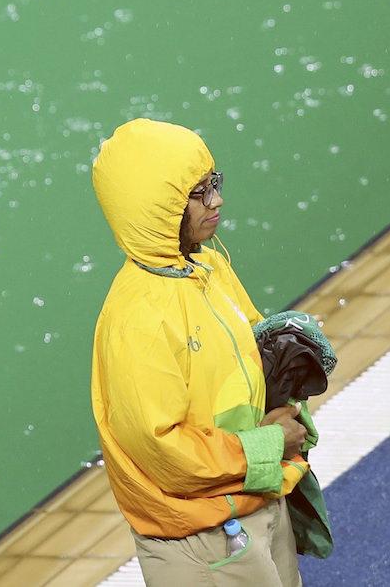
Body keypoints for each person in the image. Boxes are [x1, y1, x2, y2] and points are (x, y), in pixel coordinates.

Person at [89, 118, 314, 586]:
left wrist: (288, 401)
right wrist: (271, 444)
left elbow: (253, 359)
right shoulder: (140, 322)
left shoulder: (207, 267)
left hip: (251, 500)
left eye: (214, 183)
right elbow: (164, 452)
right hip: (204, 539)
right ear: (155, 208)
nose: (217, 200)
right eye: (198, 193)